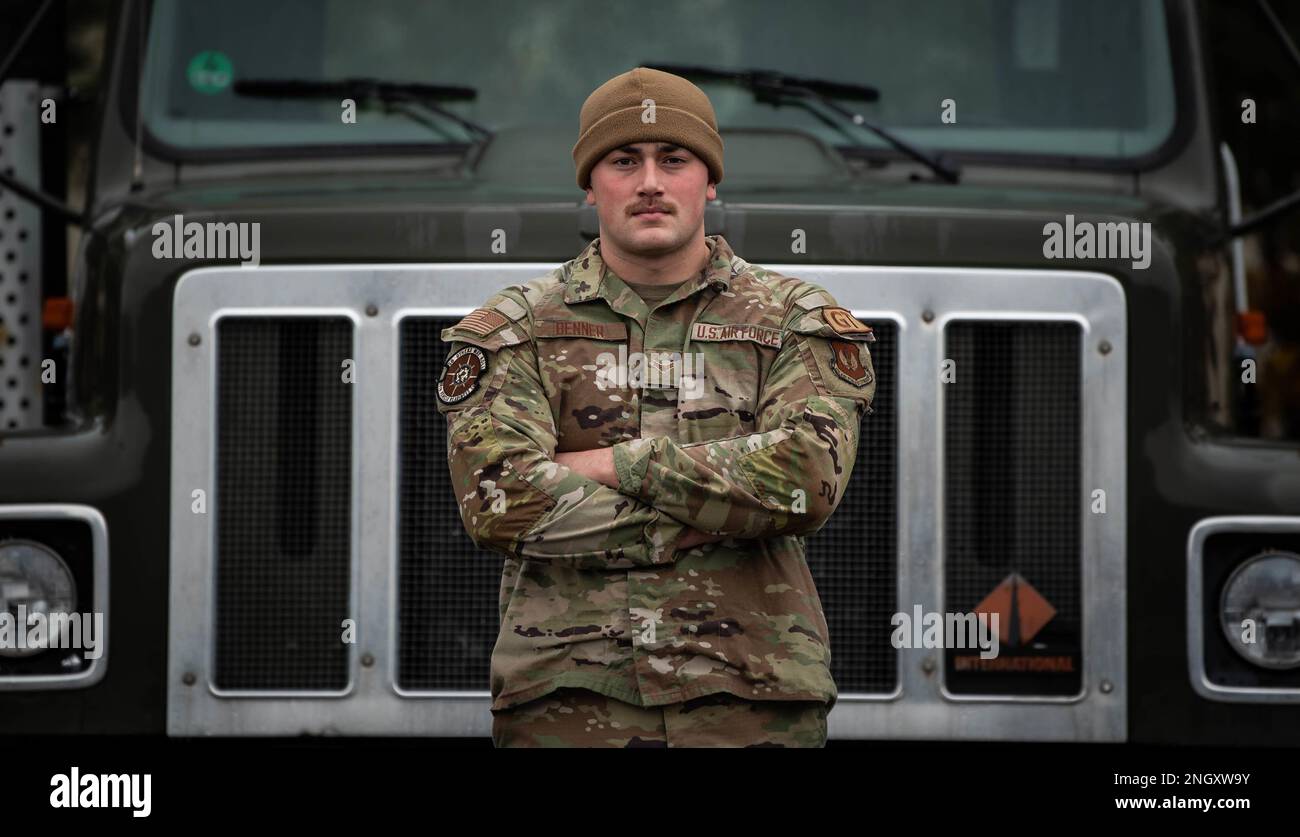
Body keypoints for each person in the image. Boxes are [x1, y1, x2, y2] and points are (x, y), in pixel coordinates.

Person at [435, 67, 876, 747]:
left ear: (711, 179)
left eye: (674, 159)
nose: (649, 182)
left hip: (752, 699)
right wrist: (713, 517)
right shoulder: (515, 327)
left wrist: (620, 463)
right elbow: (501, 499)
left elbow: (803, 479)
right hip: (568, 701)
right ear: (589, 184)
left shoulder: (794, 320)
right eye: (623, 161)